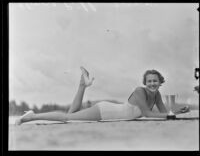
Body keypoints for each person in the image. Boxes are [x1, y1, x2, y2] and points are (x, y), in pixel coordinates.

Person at [15, 67, 190, 125]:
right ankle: (32, 116)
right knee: (68, 118)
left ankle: (82, 85)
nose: (152, 84)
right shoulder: (139, 91)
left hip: (109, 112)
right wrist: (170, 115)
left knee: (70, 115)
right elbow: (148, 114)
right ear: (145, 82)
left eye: (155, 81)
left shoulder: (157, 94)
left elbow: (163, 112)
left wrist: (177, 112)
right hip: (105, 111)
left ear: (161, 82)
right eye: (149, 81)